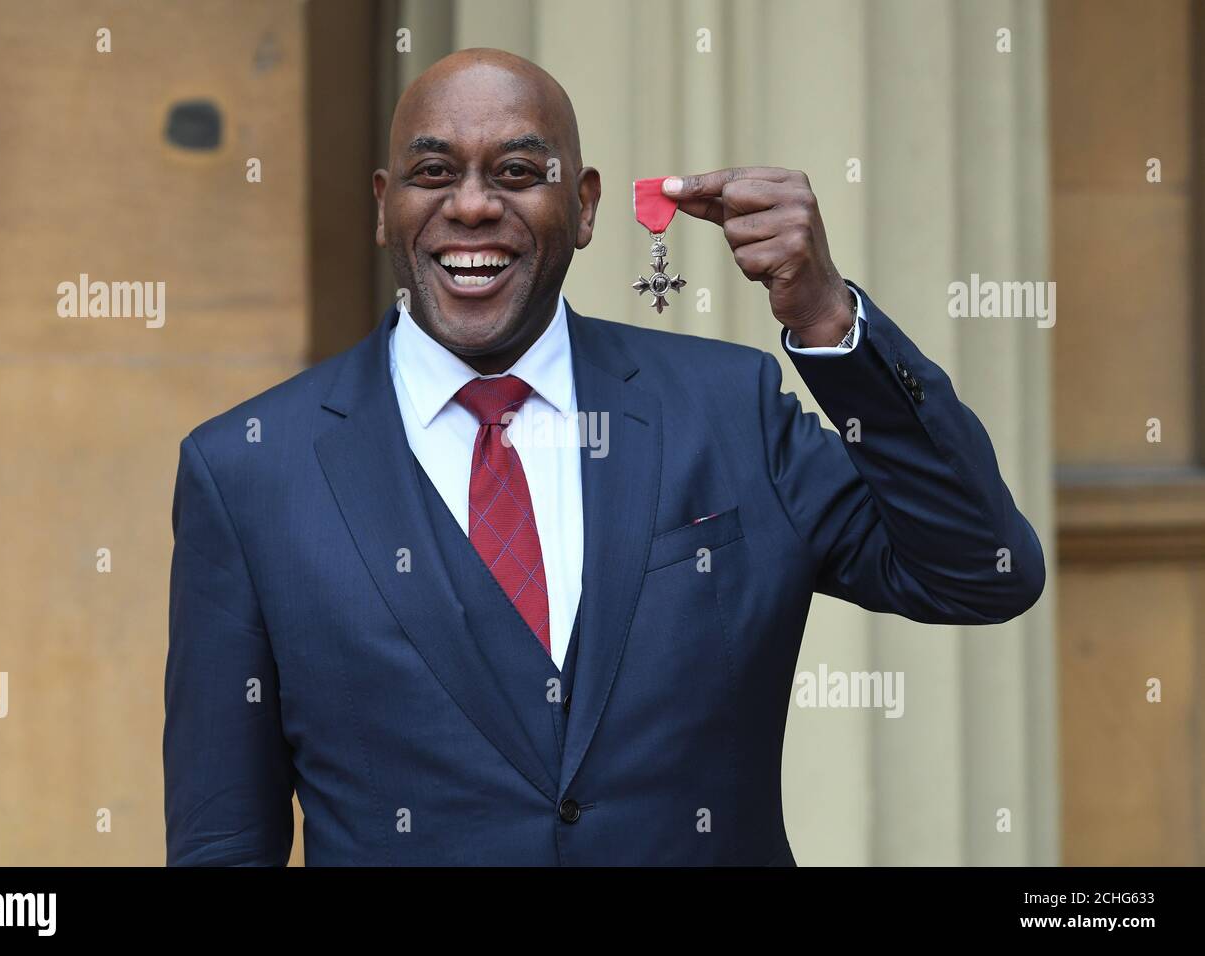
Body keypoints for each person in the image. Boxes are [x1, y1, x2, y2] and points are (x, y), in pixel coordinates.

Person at [163, 48, 1043, 866]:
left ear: (583, 206)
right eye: (435, 173)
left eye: (517, 171)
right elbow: (221, 841)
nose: (471, 205)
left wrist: (825, 321)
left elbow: (981, 572)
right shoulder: (249, 472)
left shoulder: (725, 409)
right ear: (384, 203)